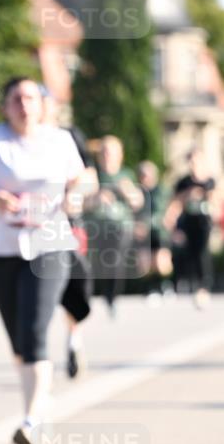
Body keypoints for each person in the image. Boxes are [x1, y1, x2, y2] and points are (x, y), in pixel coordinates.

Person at [0, 77, 86, 444]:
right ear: (5, 107)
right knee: (18, 338)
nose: (23, 105)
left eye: (30, 98)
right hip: (3, 249)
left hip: (49, 245)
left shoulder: (60, 140)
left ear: (41, 104)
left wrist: (74, 198)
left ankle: (31, 420)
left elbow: (82, 181)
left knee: (35, 328)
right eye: (16, 99)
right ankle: (35, 408)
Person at [40, 85, 98, 379]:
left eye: (45, 102)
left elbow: (90, 178)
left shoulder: (69, 136)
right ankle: (37, 350)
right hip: (31, 229)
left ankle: (74, 339)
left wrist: (75, 194)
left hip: (68, 223)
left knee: (73, 286)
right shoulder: (15, 140)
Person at [86, 135, 144, 317]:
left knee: (115, 259)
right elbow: (80, 203)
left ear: (120, 155)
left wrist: (128, 192)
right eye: (104, 152)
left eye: (111, 152)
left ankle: (111, 297)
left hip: (120, 226)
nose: (107, 156)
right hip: (96, 226)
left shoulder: (126, 175)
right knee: (95, 262)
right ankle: (93, 294)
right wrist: (96, 198)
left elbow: (138, 202)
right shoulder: (93, 175)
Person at [165, 148, 216, 308]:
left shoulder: (210, 181)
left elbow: (216, 199)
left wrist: (204, 194)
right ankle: (188, 284)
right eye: (191, 162)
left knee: (202, 252)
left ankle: (204, 286)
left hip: (204, 221)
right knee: (189, 253)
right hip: (188, 221)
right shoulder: (184, 183)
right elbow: (175, 203)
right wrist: (172, 222)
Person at [135, 160, 172, 300]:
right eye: (143, 175)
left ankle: (165, 286)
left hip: (159, 233)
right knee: (144, 264)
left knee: (161, 262)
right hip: (143, 234)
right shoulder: (138, 192)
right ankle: (150, 289)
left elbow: (170, 209)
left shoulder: (162, 191)